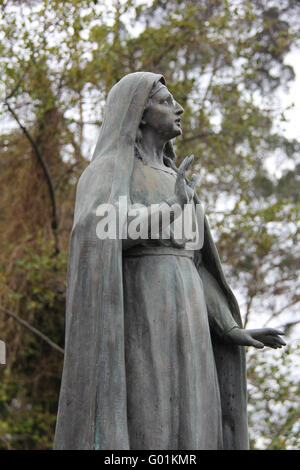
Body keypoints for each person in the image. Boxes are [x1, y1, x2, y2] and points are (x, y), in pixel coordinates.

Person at [54, 72, 285, 450]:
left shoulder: (176, 178)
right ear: (139, 114)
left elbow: (195, 262)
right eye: (165, 101)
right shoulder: (108, 171)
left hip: (191, 316)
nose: (178, 108)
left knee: (195, 420)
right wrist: (172, 207)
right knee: (151, 416)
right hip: (143, 312)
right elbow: (98, 235)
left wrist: (227, 328)